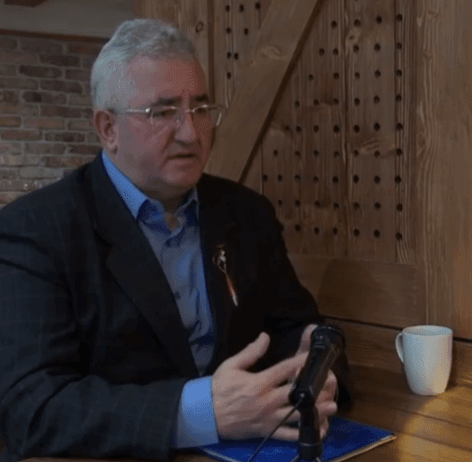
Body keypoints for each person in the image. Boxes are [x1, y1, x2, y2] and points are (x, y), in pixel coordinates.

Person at [0, 19, 350, 462]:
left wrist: (315, 371)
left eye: (201, 108)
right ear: (108, 128)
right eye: (163, 113)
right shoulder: (35, 229)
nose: (191, 132)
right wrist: (200, 413)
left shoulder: (247, 213)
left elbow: (294, 329)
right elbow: (31, 410)